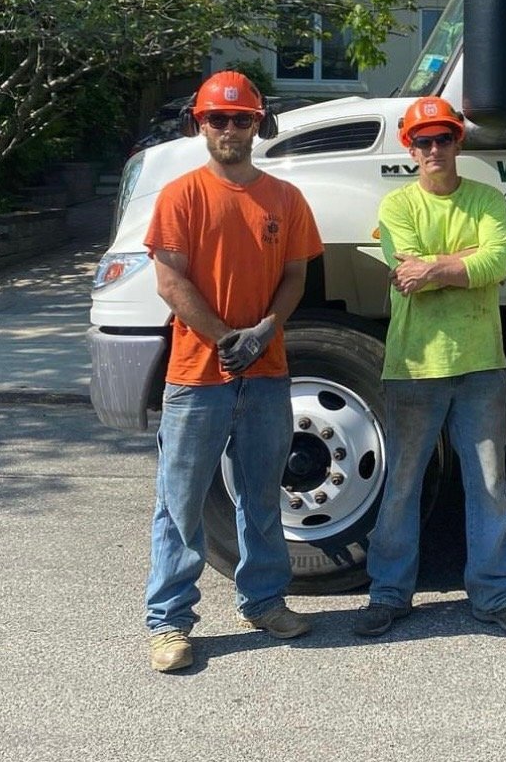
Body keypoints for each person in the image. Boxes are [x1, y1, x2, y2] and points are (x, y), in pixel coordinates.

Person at [143, 71, 323, 672]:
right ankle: (169, 624)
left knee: (261, 496)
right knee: (181, 501)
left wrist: (267, 328)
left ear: (258, 123)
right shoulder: (180, 196)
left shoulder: (286, 199)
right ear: (200, 124)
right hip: (198, 375)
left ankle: (266, 601)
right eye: (217, 119)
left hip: (267, 372)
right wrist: (226, 339)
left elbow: (296, 276)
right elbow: (170, 278)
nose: (228, 128)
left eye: (240, 118)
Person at [356, 97, 506, 640]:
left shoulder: (488, 198)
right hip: (413, 366)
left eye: (443, 138)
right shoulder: (397, 207)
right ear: (408, 148)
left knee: (489, 487)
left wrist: (437, 266)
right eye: (423, 141)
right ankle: (388, 596)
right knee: (402, 486)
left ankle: (493, 598)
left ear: (459, 142)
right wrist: (466, 263)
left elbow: (498, 263)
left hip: (481, 363)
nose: (434, 149)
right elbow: (404, 270)